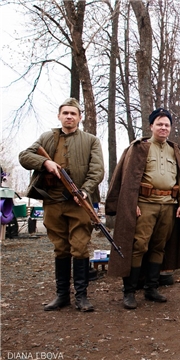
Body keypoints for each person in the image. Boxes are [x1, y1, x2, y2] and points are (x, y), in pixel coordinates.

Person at [19, 98, 104, 312]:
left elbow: (97, 170)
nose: (69, 117)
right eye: (65, 113)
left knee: (80, 247)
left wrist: (84, 191)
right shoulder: (47, 138)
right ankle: (62, 295)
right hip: (53, 202)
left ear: (79, 117)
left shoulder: (91, 140)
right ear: (59, 116)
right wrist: (45, 162)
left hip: (78, 203)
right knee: (60, 248)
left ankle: (82, 296)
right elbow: (24, 156)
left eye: (73, 114)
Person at [105, 108, 180, 310]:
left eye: (167, 125)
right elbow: (128, 179)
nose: (163, 128)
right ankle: (129, 291)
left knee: (158, 247)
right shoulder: (139, 148)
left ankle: (151, 289)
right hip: (145, 205)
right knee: (139, 246)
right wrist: (131, 204)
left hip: (168, 207)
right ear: (151, 126)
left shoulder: (174, 150)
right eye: (160, 124)